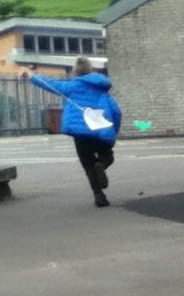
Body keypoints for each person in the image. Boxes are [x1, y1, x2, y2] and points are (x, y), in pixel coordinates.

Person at [27, 57, 121, 207]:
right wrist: (114, 130)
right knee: (108, 156)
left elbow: (51, 84)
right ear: (91, 70)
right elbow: (116, 111)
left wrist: (32, 76)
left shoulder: (71, 86)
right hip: (101, 130)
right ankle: (102, 165)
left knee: (88, 164)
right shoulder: (102, 88)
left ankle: (99, 196)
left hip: (81, 133)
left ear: (75, 71)